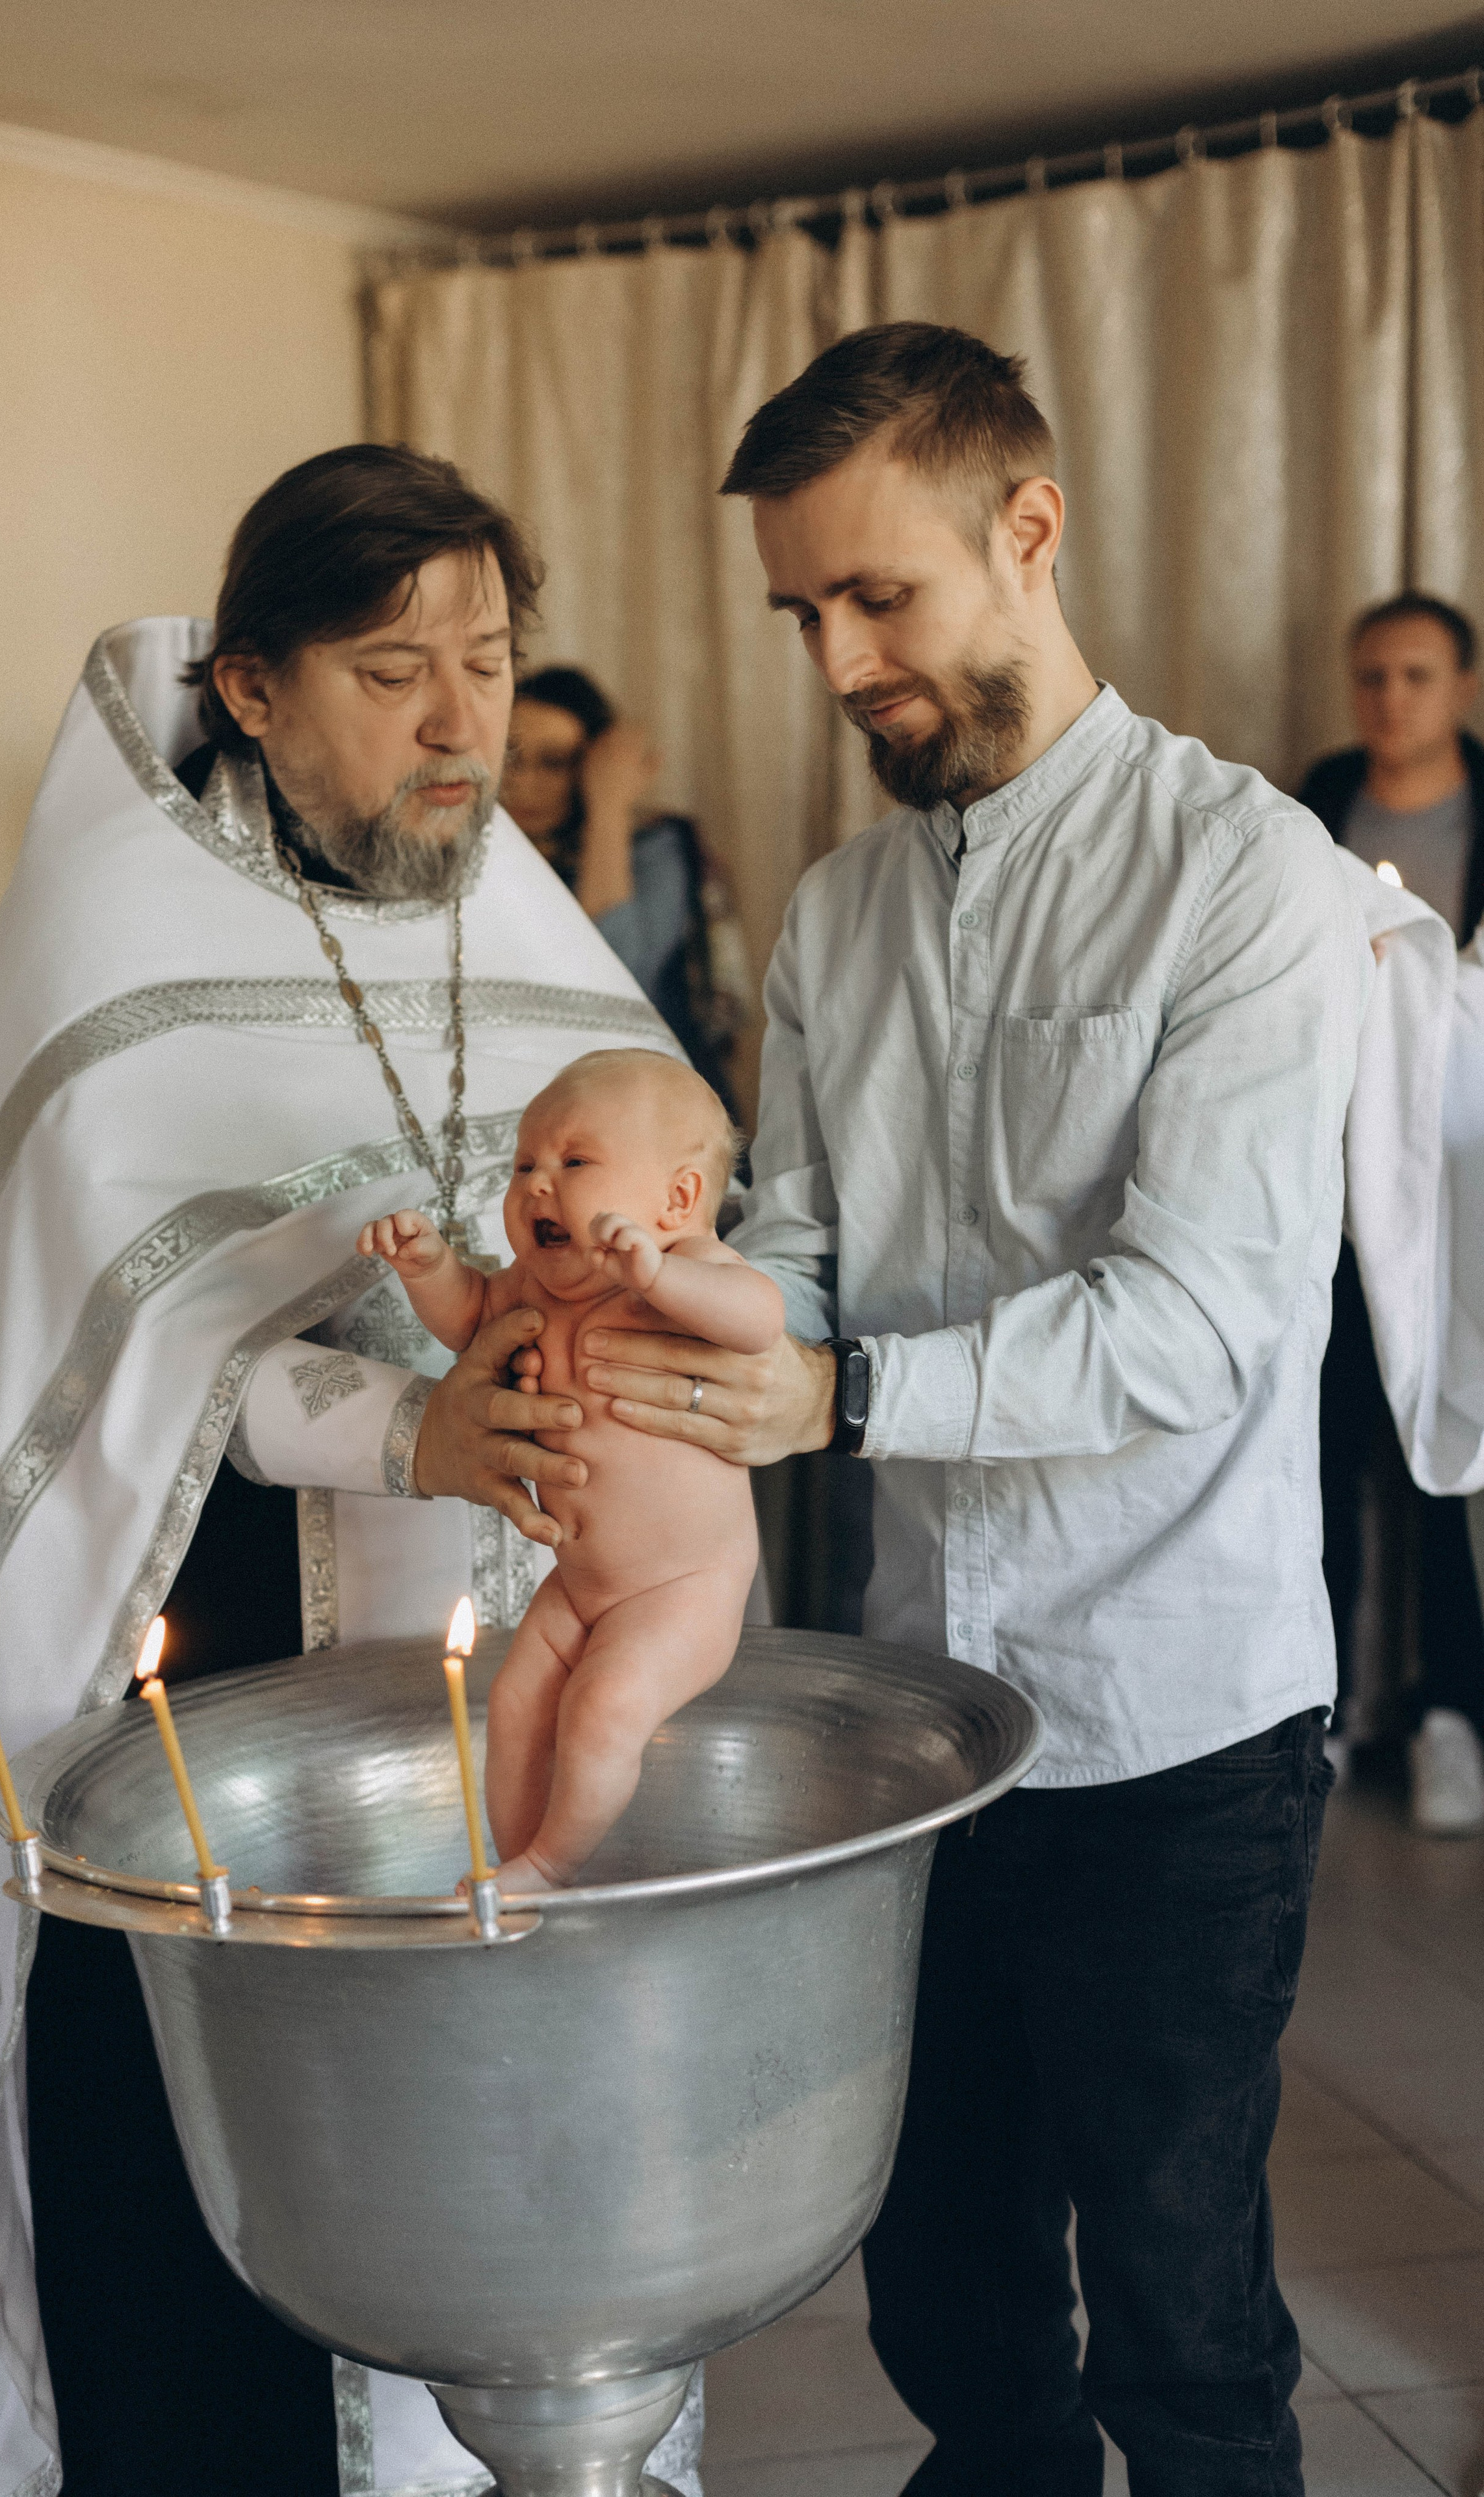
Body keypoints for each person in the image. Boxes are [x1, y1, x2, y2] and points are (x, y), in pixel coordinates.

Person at [0, 446, 705, 2497]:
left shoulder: (529, 925)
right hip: (194, 1715)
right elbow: (101, 1361)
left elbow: (678, 1205)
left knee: (483, 2212)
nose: (464, 720)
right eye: (395, 671)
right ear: (249, 688)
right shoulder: (106, 962)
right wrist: (409, 1419)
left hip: (484, 1697)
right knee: (204, 2260)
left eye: (489, 659)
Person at [571, 322, 1366, 2495]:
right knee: (944, 2284)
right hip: (913, 1722)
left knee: (1186, 2318)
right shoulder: (833, 920)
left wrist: (832, 1391)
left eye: (876, 596)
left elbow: (1193, 1325)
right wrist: (668, 1321)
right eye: (800, 613)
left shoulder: (1246, 883)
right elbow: (811, 1248)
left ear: (1029, 531)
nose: (835, 661)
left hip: (1178, 1729)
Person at [365, 1048, 775, 1889]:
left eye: (575, 1162)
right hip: (581, 1580)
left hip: (684, 1584)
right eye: (525, 1165)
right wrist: (431, 1269)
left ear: (679, 1199)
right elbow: (469, 1317)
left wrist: (661, 1277)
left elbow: (759, 1319)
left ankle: (553, 1864)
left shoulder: (688, 1274)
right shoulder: (529, 1288)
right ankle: (518, 1864)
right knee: (516, 1704)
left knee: (600, 1710)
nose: (538, 1186)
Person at [1299, 591, 1484, 1834]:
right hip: (1327, 1174)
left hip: (1459, 1171)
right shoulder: (1312, 801)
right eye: (1371, 676)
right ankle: (1315, 1709)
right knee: (1319, 1447)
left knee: (1443, 1447)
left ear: (1462, 686)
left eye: (1415, 676)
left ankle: (1450, 1716)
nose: (1391, 700)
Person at [502, 665, 750, 1111]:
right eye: (511, 758)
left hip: (650, 1107)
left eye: (554, 763)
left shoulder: (654, 844)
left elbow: (615, 983)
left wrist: (609, 808)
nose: (522, 781)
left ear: (594, 767)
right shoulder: (479, 854)